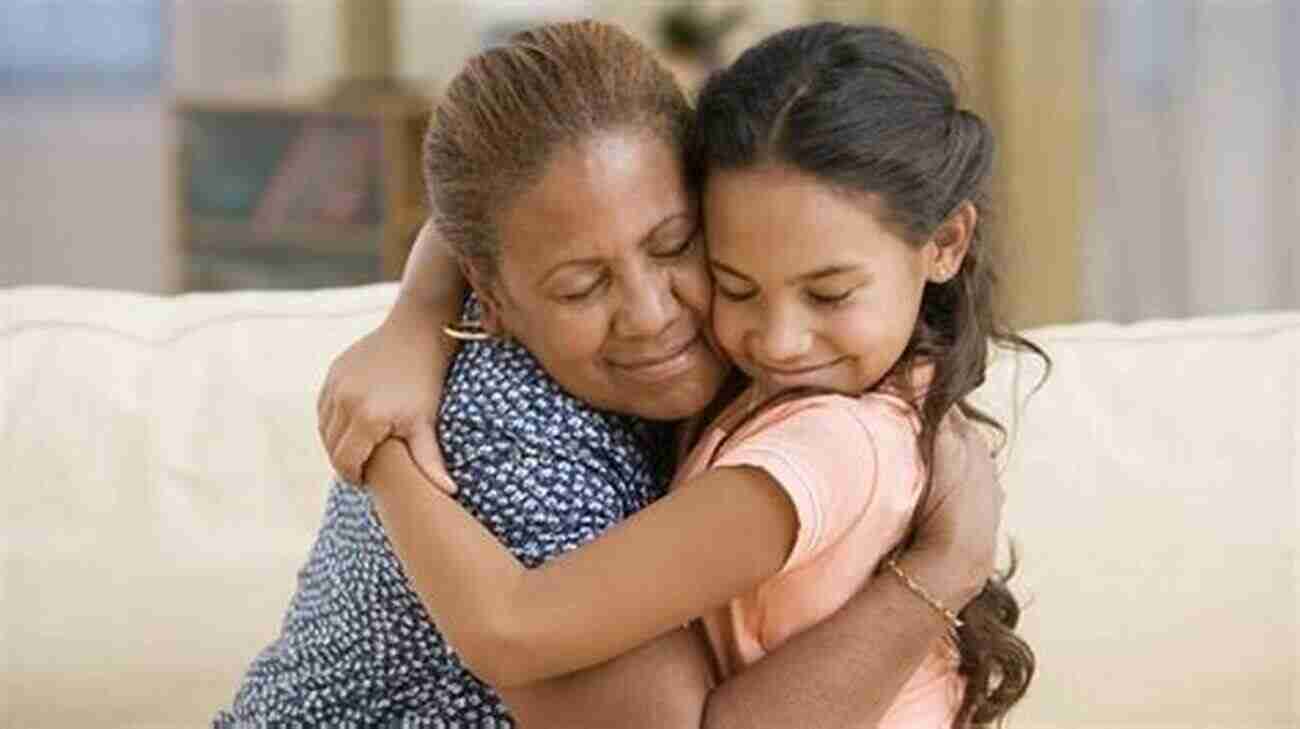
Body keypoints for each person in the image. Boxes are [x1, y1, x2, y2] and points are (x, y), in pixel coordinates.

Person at [222, 20, 1002, 729]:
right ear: (493, 296)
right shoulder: (509, 437)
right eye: (582, 286)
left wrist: (416, 316)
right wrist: (385, 443)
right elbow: (520, 632)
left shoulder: (792, 366)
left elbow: (539, 205)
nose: (650, 313)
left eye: (674, 245)